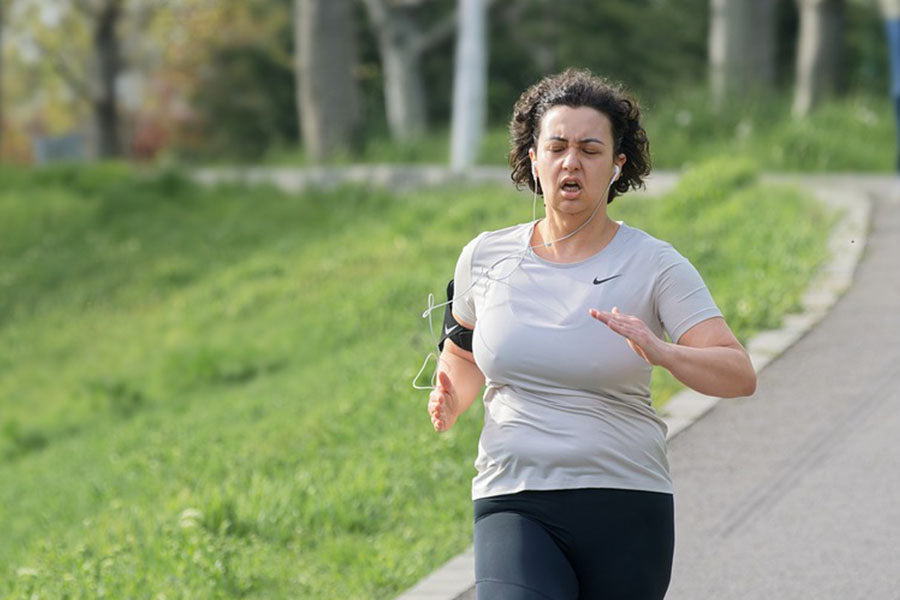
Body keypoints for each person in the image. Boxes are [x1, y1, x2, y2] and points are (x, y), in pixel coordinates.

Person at [427, 69, 757, 600]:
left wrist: (662, 351)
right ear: (531, 159)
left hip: (625, 500)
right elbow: (462, 358)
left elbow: (739, 375)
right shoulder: (484, 257)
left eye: (589, 148)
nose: (570, 161)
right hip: (513, 495)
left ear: (617, 164)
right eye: (555, 146)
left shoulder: (654, 264)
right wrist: (451, 398)